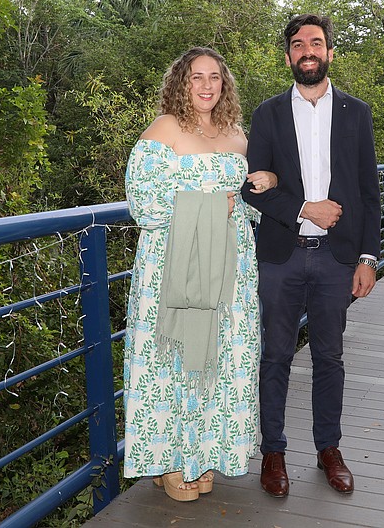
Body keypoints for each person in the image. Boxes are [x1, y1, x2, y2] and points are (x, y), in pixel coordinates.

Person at [123, 47, 277, 502]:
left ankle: (204, 456)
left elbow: (251, 203)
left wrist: (264, 183)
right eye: (196, 77)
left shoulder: (237, 135)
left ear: (224, 84)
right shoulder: (165, 130)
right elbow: (144, 203)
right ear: (181, 83)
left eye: (215, 76)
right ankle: (170, 462)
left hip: (230, 267)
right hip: (172, 267)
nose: (207, 85)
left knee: (222, 360)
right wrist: (214, 205)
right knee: (171, 360)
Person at [241, 14, 381, 498]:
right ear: (288, 56)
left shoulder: (357, 113)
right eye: (298, 45)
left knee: (330, 358)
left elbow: (368, 192)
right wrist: (304, 208)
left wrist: (368, 257)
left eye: (316, 44)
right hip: (281, 257)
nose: (308, 51)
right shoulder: (268, 115)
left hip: (337, 260)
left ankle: (328, 450)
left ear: (330, 52)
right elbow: (253, 189)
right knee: (275, 356)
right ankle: (274, 453)